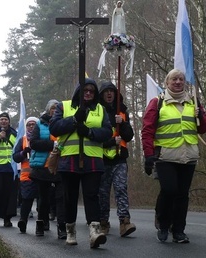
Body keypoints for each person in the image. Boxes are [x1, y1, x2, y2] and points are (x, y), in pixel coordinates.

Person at [141, 68, 206, 243]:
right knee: (169, 190)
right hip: (166, 156)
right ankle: (163, 224)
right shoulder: (157, 103)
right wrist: (148, 155)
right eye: (174, 79)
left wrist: (200, 114)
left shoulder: (193, 102)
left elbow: (203, 128)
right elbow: (147, 131)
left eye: (181, 79)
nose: (178, 82)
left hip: (189, 156)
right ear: (167, 83)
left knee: (182, 194)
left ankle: (178, 230)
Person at [49, 78, 112, 248]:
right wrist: (74, 121)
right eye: (85, 90)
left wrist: (90, 132)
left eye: (92, 91)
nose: (89, 93)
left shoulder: (100, 109)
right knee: (70, 197)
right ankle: (70, 229)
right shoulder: (64, 106)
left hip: (93, 159)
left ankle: (94, 231)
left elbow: (107, 132)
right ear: (79, 91)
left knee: (92, 195)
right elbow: (54, 128)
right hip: (69, 159)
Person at [98, 81, 136, 237]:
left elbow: (129, 136)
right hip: (102, 158)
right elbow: (95, 137)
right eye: (106, 91)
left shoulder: (122, 111)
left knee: (121, 190)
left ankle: (124, 222)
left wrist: (124, 123)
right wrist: (110, 142)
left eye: (111, 91)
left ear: (115, 94)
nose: (109, 94)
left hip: (119, 158)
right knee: (103, 193)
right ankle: (103, 223)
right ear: (101, 94)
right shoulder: (97, 111)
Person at [29, 99, 67, 239]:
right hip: (43, 167)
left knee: (60, 197)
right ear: (48, 109)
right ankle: (41, 223)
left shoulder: (64, 124)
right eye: (52, 108)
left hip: (61, 166)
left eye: (57, 108)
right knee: (43, 197)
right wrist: (53, 144)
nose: (54, 110)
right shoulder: (39, 124)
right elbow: (33, 143)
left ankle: (62, 227)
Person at [12, 116, 39, 234]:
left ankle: (43, 223)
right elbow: (15, 157)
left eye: (33, 124)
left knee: (43, 200)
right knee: (27, 199)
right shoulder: (22, 140)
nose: (31, 126)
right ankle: (23, 220)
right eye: (29, 124)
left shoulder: (43, 137)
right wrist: (24, 152)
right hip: (26, 176)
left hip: (41, 174)